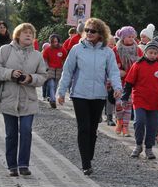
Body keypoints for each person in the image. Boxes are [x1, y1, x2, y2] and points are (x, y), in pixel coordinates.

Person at [56, 18, 122, 176]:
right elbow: (68, 71)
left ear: (100, 33)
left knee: (93, 129)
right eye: (87, 30)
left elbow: (113, 71)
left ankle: (89, 156)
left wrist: (117, 87)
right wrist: (60, 92)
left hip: (99, 95)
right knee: (83, 128)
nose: (89, 33)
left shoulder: (107, 52)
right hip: (80, 94)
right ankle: (85, 163)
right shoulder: (77, 49)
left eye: (93, 31)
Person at [0, 23, 48, 177]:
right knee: (11, 134)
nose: (28, 35)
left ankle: (23, 164)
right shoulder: (5, 50)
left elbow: (43, 76)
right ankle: (12, 166)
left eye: (31, 33)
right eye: (25, 33)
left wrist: (30, 78)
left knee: (26, 131)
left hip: (28, 100)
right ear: (17, 35)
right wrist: (10, 73)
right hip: (8, 98)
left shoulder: (37, 55)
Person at [121, 41, 158, 159]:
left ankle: (149, 148)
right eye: (150, 52)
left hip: (155, 101)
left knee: (152, 126)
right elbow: (129, 82)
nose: (153, 55)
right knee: (140, 121)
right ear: (145, 52)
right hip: (139, 99)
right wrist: (125, 96)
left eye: (155, 53)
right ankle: (138, 145)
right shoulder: (138, 65)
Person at [113, 25, 142, 137]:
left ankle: (125, 126)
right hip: (119, 80)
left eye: (132, 36)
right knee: (119, 103)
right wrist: (119, 71)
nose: (131, 39)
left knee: (128, 105)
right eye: (129, 36)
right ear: (123, 38)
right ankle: (119, 121)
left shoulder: (137, 49)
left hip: (132, 81)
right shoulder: (116, 50)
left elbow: (140, 64)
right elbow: (111, 65)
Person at [42, 34, 65, 108]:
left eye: (56, 41)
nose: (55, 43)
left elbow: (65, 58)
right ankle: (52, 100)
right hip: (50, 69)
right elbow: (44, 59)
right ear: (51, 42)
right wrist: (46, 67)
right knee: (51, 85)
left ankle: (51, 96)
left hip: (59, 69)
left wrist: (64, 66)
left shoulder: (62, 49)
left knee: (55, 85)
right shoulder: (48, 49)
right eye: (53, 42)